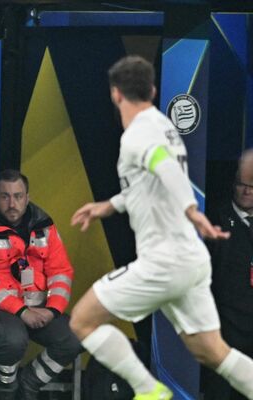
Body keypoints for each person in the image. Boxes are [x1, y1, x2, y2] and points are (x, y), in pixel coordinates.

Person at [69, 55, 253, 400]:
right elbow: (145, 186)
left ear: (115, 95)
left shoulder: (140, 135)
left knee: (82, 320)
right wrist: (108, 206)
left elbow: (163, 167)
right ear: (152, 91)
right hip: (190, 260)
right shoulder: (163, 127)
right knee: (214, 352)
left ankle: (148, 390)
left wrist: (190, 209)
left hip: (165, 260)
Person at [0, 169, 81, 400]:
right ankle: (6, 390)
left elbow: (61, 272)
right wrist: (21, 310)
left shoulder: (46, 227)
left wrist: (53, 309)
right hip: (3, 311)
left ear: (27, 197)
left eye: (18, 196)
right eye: (5, 196)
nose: (12, 203)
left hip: (42, 309)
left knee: (78, 335)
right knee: (12, 340)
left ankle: (29, 384)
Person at [201, 149, 253, 400]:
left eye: (252, 186)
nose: (247, 191)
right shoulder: (215, 219)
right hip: (224, 329)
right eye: (242, 184)